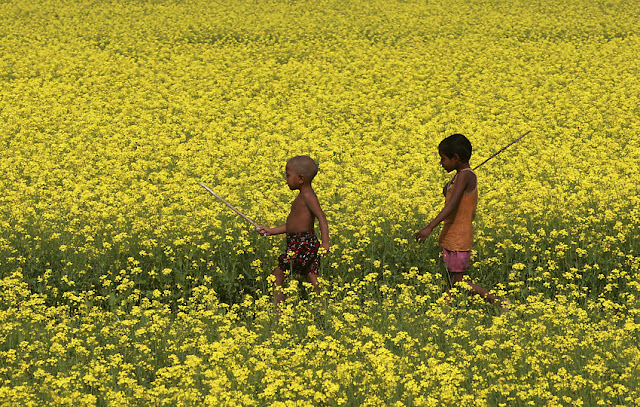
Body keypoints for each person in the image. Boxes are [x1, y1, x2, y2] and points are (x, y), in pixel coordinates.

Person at [415, 134, 509, 311]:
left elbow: (452, 205)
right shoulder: (460, 176)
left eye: (443, 159)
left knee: (460, 282)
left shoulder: (465, 176)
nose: (441, 163)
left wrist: (429, 227)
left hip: (460, 238)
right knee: (453, 279)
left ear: (456, 158)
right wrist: (448, 189)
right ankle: (446, 311)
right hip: (452, 236)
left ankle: (497, 301)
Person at [257, 156, 330, 306]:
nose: (286, 179)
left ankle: (280, 314)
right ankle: (324, 311)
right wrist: (271, 231)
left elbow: (321, 217)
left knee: (276, 277)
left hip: (301, 243)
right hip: (304, 242)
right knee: (311, 277)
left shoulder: (308, 196)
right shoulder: (302, 196)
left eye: (288, 175)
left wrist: (326, 243)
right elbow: (292, 227)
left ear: (301, 178)